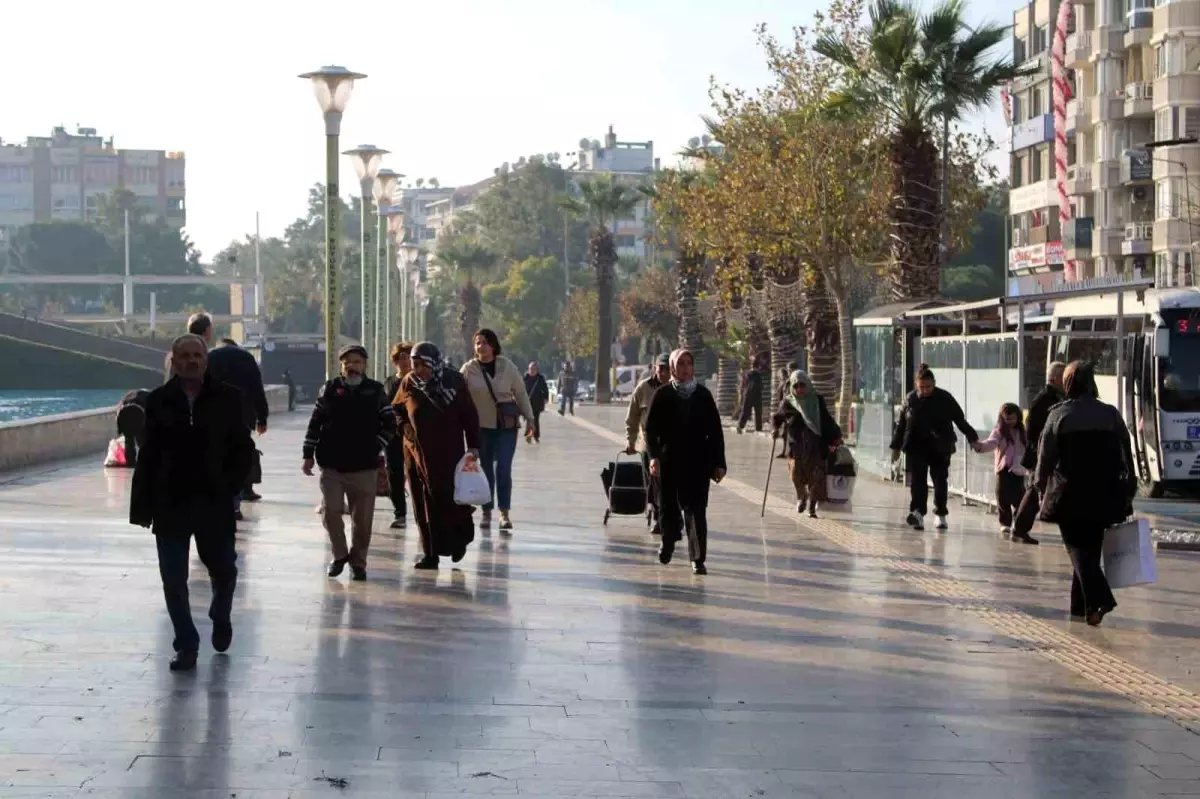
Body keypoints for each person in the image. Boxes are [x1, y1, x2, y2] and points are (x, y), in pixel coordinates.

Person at [130, 334, 253, 672]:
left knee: (224, 568)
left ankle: (220, 612)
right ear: (173, 360)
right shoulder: (157, 401)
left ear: (206, 360)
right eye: (184, 355)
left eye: (197, 355)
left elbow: (242, 449)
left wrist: (230, 487)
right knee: (173, 578)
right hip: (170, 502)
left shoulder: (228, 399)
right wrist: (143, 505)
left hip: (213, 502)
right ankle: (186, 644)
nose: (191, 361)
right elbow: (149, 455)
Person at [1035, 361, 1136, 626]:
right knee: (1090, 550)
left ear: (1068, 383)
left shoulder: (1059, 415)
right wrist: (1130, 487)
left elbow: (1045, 457)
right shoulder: (1111, 414)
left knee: (1077, 550)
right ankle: (1082, 610)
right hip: (1106, 494)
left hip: (1069, 495)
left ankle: (1102, 599)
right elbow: (1127, 451)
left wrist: (1038, 485)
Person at [302, 345, 395, 581]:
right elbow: (315, 423)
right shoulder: (330, 389)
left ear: (364, 365)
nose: (351, 366)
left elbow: (390, 424)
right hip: (332, 465)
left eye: (356, 362)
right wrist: (308, 454)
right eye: (347, 362)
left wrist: (376, 445)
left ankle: (358, 562)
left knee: (362, 522)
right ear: (341, 366)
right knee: (330, 512)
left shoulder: (375, 391)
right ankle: (339, 554)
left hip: (364, 467)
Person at [394, 342, 482, 570]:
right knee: (421, 502)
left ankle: (459, 539)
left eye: (423, 364)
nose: (418, 369)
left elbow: (469, 415)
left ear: (434, 362)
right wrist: (403, 426)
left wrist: (473, 446)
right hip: (415, 454)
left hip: (447, 454)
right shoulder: (409, 382)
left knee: (447, 499)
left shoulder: (453, 381)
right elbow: (395, 409)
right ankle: (429, 553)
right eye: (415, 364)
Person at [644, 348, 727, 575]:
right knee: (669, 507)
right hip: (669, 462)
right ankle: (668, 542)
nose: (685, 368)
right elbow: (650, 430)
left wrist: (719, 463)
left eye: (689, 364)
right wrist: (654, 457)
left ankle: (698, 558)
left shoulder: (703, 395)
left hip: (698, 463)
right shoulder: (662, 395)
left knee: (696, 511)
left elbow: (715, 432)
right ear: (672, 367)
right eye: (680, 364)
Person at [188, 313, 269, 510]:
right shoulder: (247, 358)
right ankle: (234, 503)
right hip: (243, 417)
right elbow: (257, 389)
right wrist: (262, 418)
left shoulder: (210, 357)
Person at [461, 329, 536, 533]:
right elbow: (459, 396)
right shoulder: (469, 369)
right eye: (477, 343)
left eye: (485, 342)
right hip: (481, 428)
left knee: (503, 468)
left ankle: (504, 513)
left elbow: (520, 392)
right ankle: (486, 511)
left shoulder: (506, 366)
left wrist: (530, 419)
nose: (480, 346)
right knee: (485, 471)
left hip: (506, 427)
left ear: (493, 345)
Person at [890, 363, 979, 531]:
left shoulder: (945, 398)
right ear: (916, 384)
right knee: (918, 483)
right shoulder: (910, 399)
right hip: (917, 447)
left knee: (940, 481)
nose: (925, 390)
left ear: (934, 383)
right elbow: (901, 426)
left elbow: (960, 420)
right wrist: (895, 448)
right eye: (921, 387)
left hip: (940, 447)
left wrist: (972, 438)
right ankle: (918, 513)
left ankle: (940, 513)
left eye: (928, 386)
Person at [1009, 361, 1067, 545]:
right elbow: (1032, 426)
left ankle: (1019, 528)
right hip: (1042, 453)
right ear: (1055, 378)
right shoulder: (1044, 399)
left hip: (1047, 452)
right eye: (1063, 376)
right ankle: (1019, 528)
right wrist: (1038, 446)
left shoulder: (1057, 397)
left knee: (1036, 489)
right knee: (1035, 488)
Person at [772, 370, 842, 518]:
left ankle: (812, 506)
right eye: (796, 386)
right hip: (796, 447)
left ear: (808, 385)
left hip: (816, 445)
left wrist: (836, 436)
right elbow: (777, 418)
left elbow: (826, 420)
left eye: (802, 385)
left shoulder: (817, 400)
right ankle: (801, 496)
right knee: (796, 474)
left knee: (816, 476)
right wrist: (775, 429)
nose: (799, 389)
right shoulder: (788, 402)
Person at [625, 355, 671, 535]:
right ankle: (660, 517)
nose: (664, 373)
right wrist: (630, 441)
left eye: (667, 369)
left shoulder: (678, 387)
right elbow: (632, 416)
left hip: (672, 446)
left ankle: (670, 517)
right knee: (654, 484)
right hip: (648, 446)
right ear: (654, 368)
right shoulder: (643, 388)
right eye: (661, 369)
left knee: (670, 484)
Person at [975, 403, 1030, 537]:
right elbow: (991, 443)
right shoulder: (999, 431)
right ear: (1002, 418)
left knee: (1020, 498)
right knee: (1002, 496)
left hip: (1018, 469)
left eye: (1013, 419)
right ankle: (1005, 523)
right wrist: (979, 446)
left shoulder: (1023, 432)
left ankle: (1018, 522)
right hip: (1003, 469)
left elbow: (1029, 446)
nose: (1010, 422)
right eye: (1007, 419)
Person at [382, 343, 415, 529]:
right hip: (393, 436)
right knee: (394, 474)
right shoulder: (388, 383)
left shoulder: (418, 381)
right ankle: (400, 513)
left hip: (413, 435)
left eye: (409, 357)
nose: (405, 361)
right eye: (401, 358)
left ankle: (422, 512)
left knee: (416, 474)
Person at [115, 388, 150, 467]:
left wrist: (120, 428)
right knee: (141, 440)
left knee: (129, 440)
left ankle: (131, 462)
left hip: (125, 414)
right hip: (136, 414)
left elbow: (118, 412)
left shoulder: (128, 397)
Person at [737, 354, 766, 434]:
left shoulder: (747, 374)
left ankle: (740, 426)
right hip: (757, 395)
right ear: (757, 366)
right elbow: (760, 386)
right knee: (758, 412)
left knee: (745, 411)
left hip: (748, 395)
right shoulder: (758, 375)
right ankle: (758, 428)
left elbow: (744, 384)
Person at [523, 361, 550, 443]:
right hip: (527, 402)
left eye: (534, 369)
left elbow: (545, 389)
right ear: (528, 369)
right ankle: (528, 434)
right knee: (528, 419)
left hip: (537, 403)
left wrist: (546, 398)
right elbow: (520, 389)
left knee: (535, 420)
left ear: (537, 370)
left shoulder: (540, 378)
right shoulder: (525, 378)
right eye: (530, 368)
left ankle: (535, 436)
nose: (532, 370)